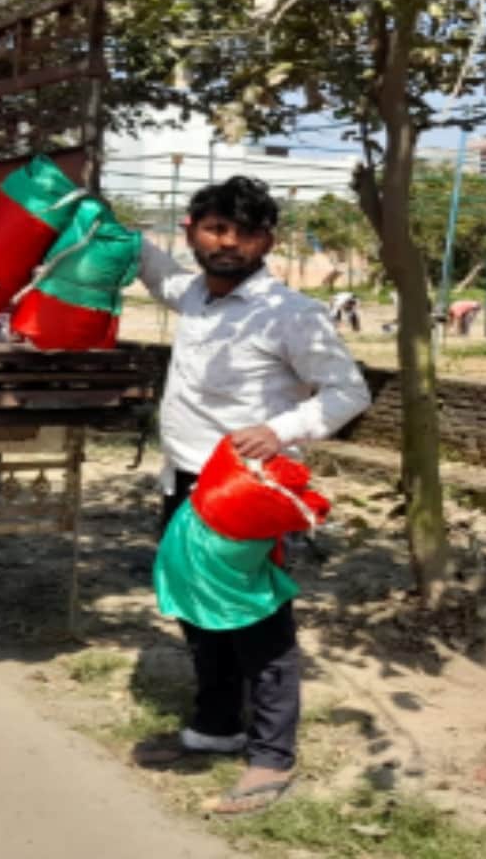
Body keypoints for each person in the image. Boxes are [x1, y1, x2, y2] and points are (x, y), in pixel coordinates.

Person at [132, 176, 371, 814]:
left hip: (242, 493)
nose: (228, 242)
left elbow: (349, 391)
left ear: (266, 240)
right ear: (192, 229)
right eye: (215, 228)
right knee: (197, 613)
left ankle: (270, 757)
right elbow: (151, 268)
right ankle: (215, 727)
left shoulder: (290, 313)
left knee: (256, 624)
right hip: (182, 478)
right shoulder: (192, 295)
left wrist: (280, 430)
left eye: (244, 233)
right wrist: (93, 210)